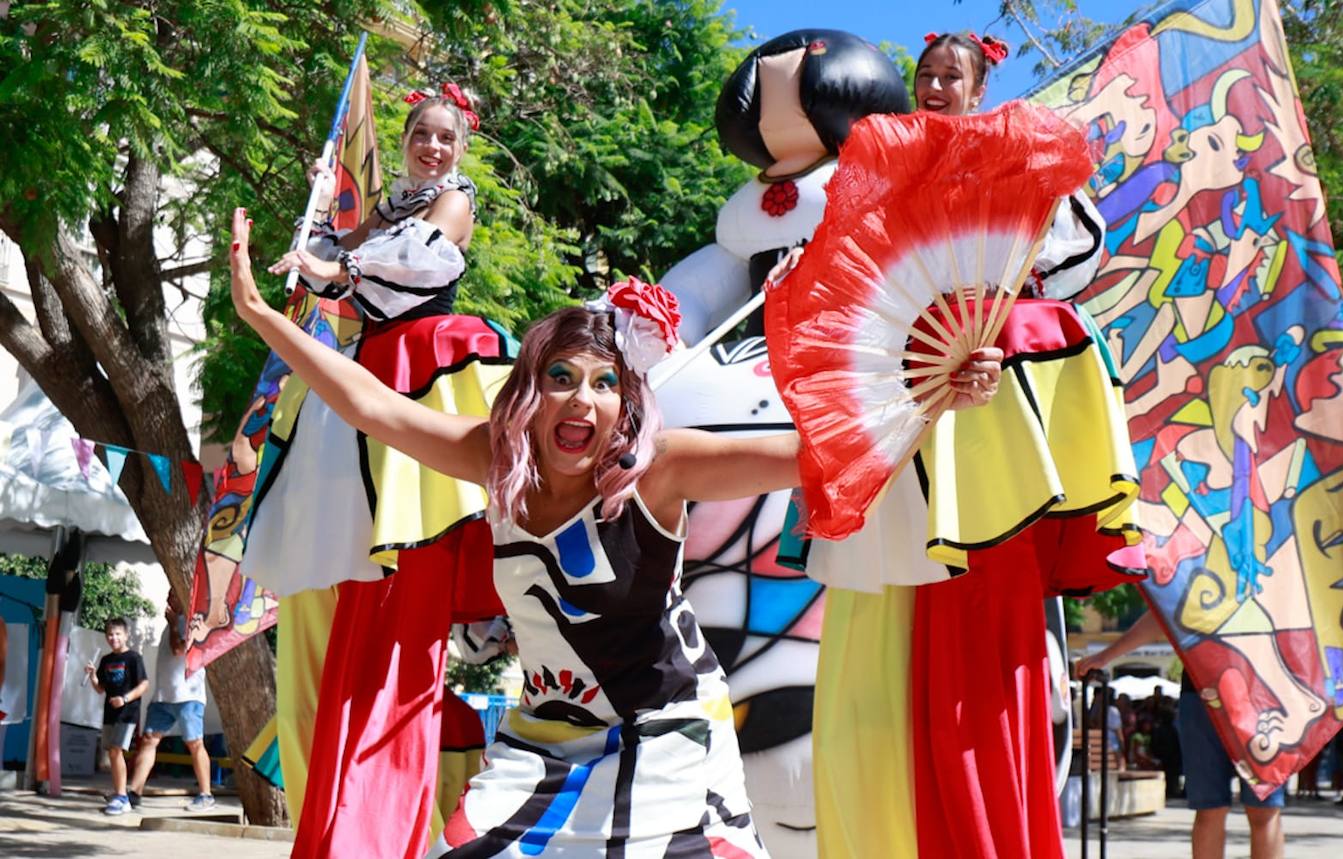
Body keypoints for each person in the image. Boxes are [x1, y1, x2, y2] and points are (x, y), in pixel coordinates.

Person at [228, 205, 1003, 855]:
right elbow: (373, 407)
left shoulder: (658, 469)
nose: (581, 401)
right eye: (560, 378)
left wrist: (935, 396)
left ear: (624, 402)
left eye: (604, 384)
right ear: (529, 393)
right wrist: (265, 317)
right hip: (544, 729)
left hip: (664, 725)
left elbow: (815, 454)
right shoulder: (496, 459)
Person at [795, 31, 1132, 859]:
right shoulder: (890, 169)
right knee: (914, 629)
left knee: (985, 626)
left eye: (953, 75)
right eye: (927, 75)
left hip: (990, 396)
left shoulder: (1007, 160)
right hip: (914, 399)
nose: (938, 86)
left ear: (980, 88)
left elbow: (1069, 249)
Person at [225, 86, 518, 859]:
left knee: (400, 584)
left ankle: (376, 828)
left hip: (417, 373)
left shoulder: (451, 203)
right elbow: (337, 275)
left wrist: (335, 259)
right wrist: (305, 255)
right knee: (338, 583)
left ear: (461, 147)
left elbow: (414, 268)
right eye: (420, 133)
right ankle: (332, 811)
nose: (431, 146)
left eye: (444, 136)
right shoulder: (386, 208)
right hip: (361, 381)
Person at [1076, 610, 1285, 859]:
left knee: (1249, 811)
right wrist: (1107, 655)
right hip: (1229, 691)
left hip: (1242, 693)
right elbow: (1165, 612)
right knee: (1237, 810)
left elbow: (1164, 614)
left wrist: (1107, 655)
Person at [125, 592, 214, 812]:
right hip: (164, 696)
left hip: (188, 697)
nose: (168, 598)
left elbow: (178, 650)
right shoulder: (173, 622)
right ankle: (134, 792)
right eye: (168, 594)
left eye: (173, 594)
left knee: (195, 744)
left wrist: (175, 624)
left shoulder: (192, 623)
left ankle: (206, 794)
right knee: (148, 740)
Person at [84, 618, 148, 816]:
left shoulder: (133, 658)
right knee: (112, 754)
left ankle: (122, 797)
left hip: (127, 713)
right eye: (110, 634)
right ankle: (120, 794)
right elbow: (100, 689)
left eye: (118, 634)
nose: (114, 638)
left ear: (126, 635)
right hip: (110, 713)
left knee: (115, 751)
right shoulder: (106, 660)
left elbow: (144, 685)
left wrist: (125, 698)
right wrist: (94, 676)